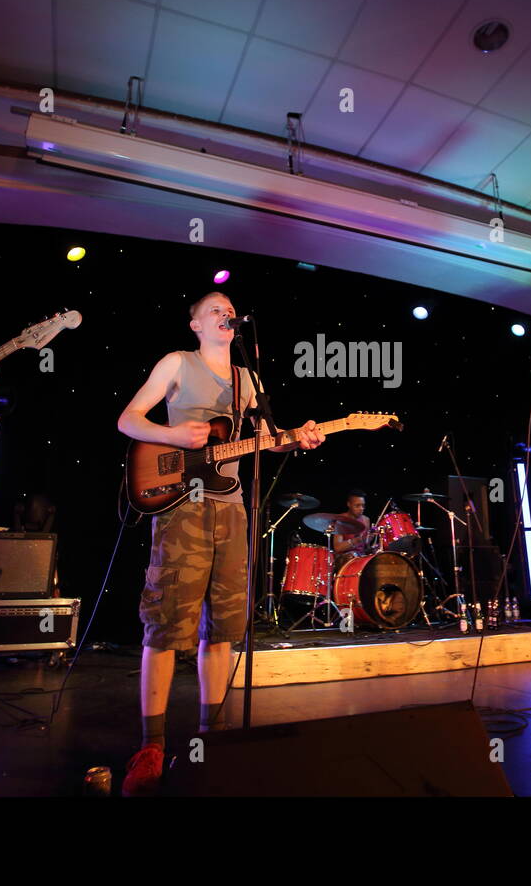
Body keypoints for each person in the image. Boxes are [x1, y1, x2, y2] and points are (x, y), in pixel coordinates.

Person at [116, 290, 324, 795]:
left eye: (230, 311)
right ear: (195, 324)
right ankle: (152, 744)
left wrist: (299, 436)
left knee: (225, 624)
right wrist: (175, 436)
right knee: (166, 623)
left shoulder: (245, 378)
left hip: (231, 509)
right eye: (215, 309)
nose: (225, 315)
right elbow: (128, 420)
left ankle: (214, 733)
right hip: (180, 504)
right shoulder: (177, 362)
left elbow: (264, 437)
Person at [332, 491, 372, 569]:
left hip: (361, 557)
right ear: (349, 504)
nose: (361, 508)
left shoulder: (366, 520)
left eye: (363, 506)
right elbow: (338, 547)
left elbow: (365, 547)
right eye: (357, 506)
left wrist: (370, 540)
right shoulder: (341, 520)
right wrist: (357, 540)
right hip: (345, 559)